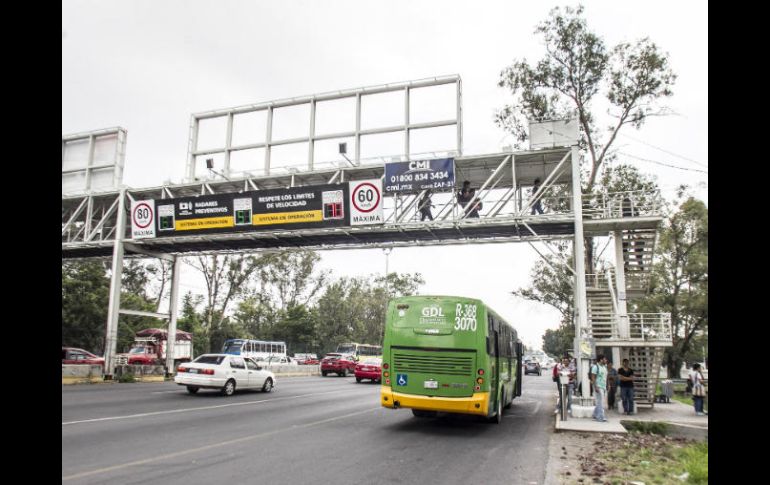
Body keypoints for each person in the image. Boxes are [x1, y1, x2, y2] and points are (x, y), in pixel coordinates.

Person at [590, 355, 608, 422]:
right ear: (601, 360)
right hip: (598, 386)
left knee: (600, 402)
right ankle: (600, 417)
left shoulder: (604, 367)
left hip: (603, 386)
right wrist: (596, 386)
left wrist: (607, 385)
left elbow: (606, 376)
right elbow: (593, 377)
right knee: (601, 401)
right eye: (604, 359)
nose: (606, 360)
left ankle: (595, 414)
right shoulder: (595, 367)